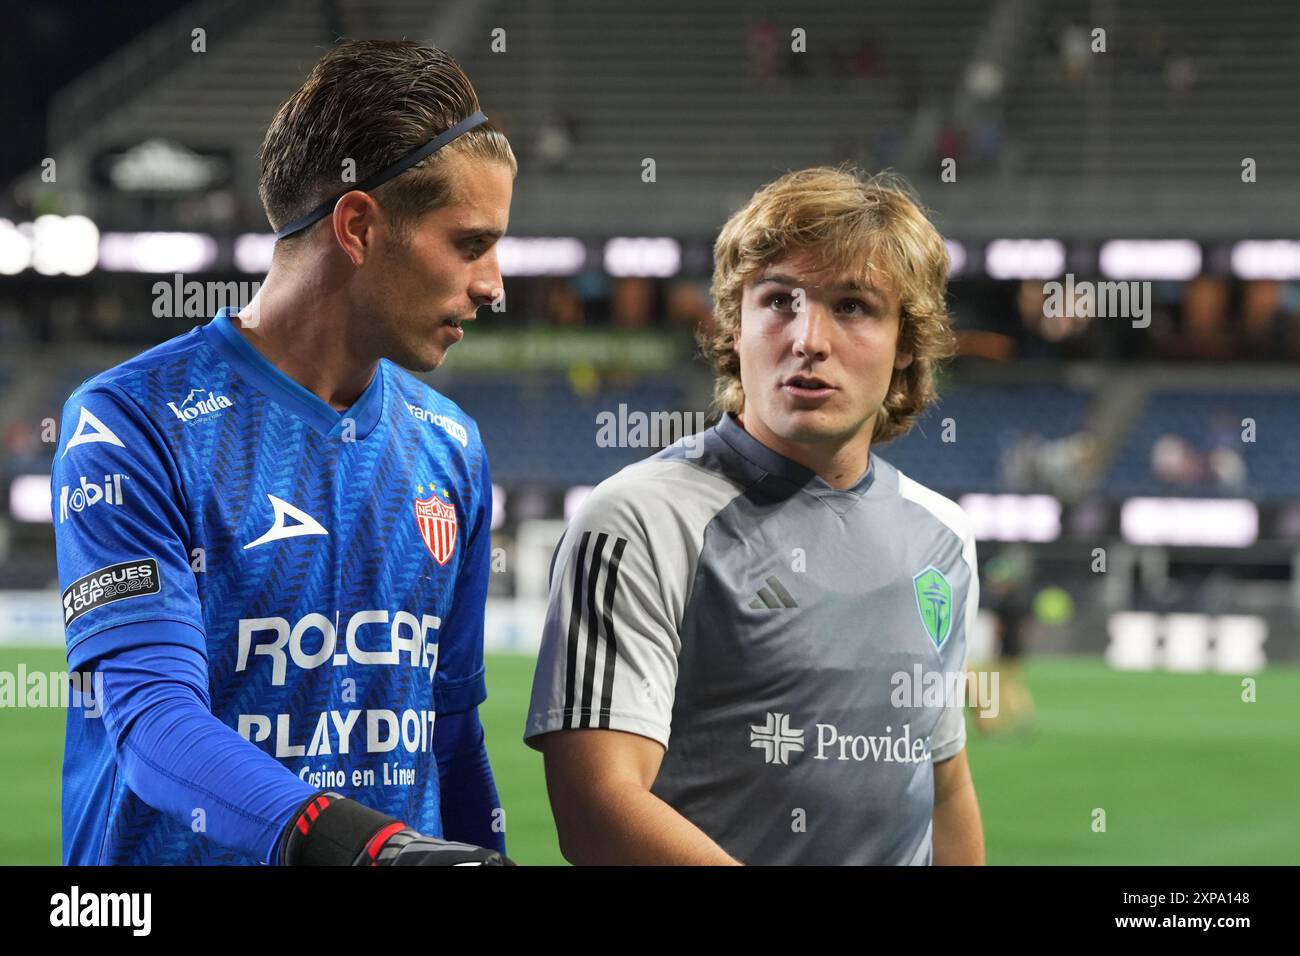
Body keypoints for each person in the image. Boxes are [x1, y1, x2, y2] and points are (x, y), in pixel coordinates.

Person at [52, 39, 516, 865]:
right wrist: (368, 849)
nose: (494, 284)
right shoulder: (129, 425)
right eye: (471, 244)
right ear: (360, 226)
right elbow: (155, 727)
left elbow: (450, 734)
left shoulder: (452, 447)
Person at [525, 166, 985, 864]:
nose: (808, 339)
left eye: (854, 306)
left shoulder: (943, 536)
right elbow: (598, 809)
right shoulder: (637, 520)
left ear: (906, 346)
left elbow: (943, 781)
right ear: (734, 327)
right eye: (778, 301)